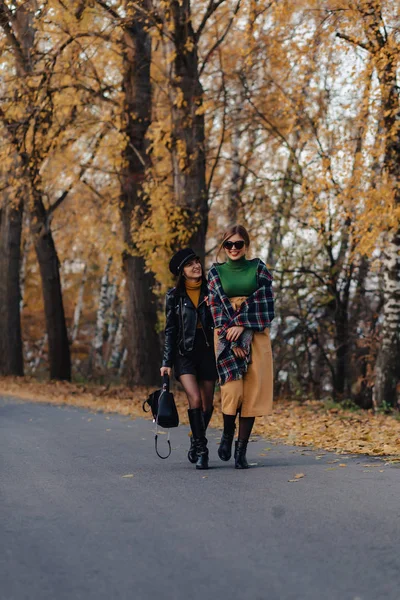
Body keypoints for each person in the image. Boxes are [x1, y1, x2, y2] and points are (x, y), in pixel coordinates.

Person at [208, 225, 275, 469]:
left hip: (256, 335)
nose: (234, 248)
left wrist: (244, 328)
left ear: (246, 245)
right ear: (223, 246)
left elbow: (267, 306)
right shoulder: (215, 273)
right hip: (225, 336)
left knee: (253, 393)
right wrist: (233, 338)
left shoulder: (259, 269)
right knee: (232, 390)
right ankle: (227, 434)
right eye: (229, 244)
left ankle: (241, 451)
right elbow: (216, 309)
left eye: (239, 244)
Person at [160, 248, 217, 470]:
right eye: (189, 264)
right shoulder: (174, 297)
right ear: (182, 272)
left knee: (208, 404)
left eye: (197, 262)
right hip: (184, 355)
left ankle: (195, 439)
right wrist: (166, 362)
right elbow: (170, 331)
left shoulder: (211, 291)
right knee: (195, 399)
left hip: (208, 353)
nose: (196, 266)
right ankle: (202, 450)